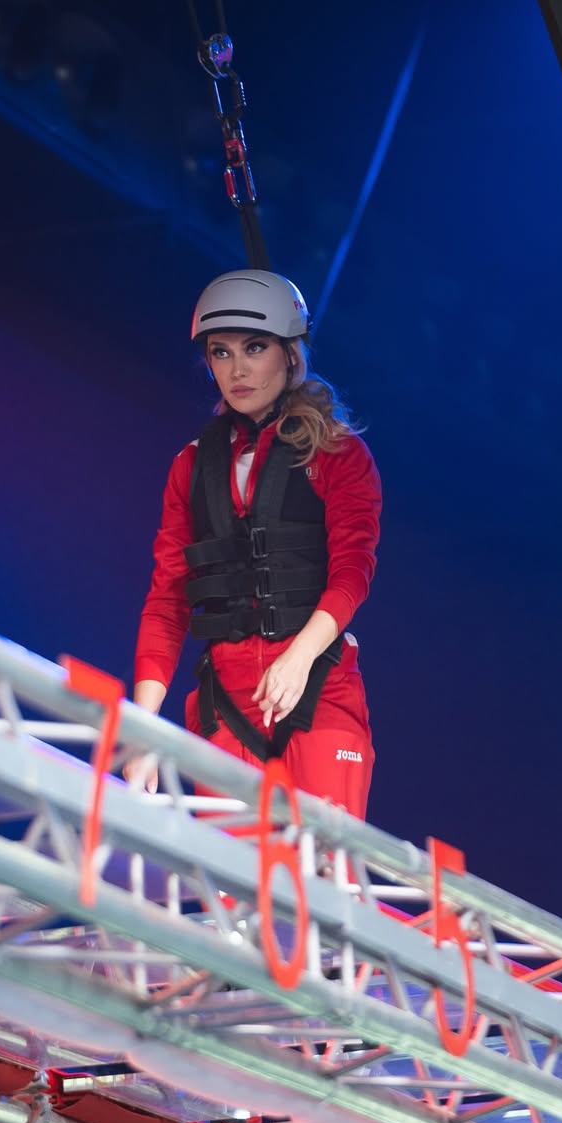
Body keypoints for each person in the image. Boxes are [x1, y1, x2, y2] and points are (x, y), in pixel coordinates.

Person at [129, 268, 381, 816]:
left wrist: (299, 657)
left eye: (255, 347)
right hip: (224, 707)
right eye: (221, 352)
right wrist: (142, 727)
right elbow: (168, 599)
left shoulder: (338, 454)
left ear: (289, 354)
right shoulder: (191, 467)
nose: (237, 369)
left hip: (317, 690)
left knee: (318, 869)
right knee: (232, 874)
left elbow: (353, 571)